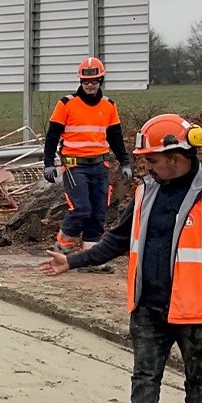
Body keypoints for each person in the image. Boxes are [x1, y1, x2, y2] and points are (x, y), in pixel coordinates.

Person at [40, 113, 202, 403]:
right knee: (144, 374)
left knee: (197, 376)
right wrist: (73, 262)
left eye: (152, 160)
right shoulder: (145, 192)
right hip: (148, 304)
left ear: (178, 156)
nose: (146, 168)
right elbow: (119, 241)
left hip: (195, 310)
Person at [42, 57, 134, 265]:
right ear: (81, 82)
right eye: (86, 81)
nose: (90, 85)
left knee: (98, 213)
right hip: (75, 165)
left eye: (94, 81)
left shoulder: (109, 106)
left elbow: (116, 137)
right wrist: (48, 162)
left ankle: (90, 261)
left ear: (100, 80)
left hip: (100, 165)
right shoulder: (66, 104)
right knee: (81, 208)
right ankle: (61, 249)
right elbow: (52, 135)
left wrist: (125, 162)